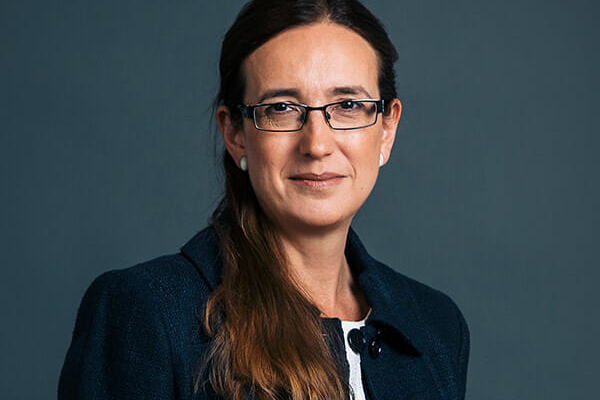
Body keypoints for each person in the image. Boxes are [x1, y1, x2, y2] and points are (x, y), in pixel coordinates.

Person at [58, 0, 469, 399]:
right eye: (282, 108)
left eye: (348, 105)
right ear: (235, 133)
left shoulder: (436, 326)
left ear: (386, 129)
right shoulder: (147, 312)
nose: (317, 145)